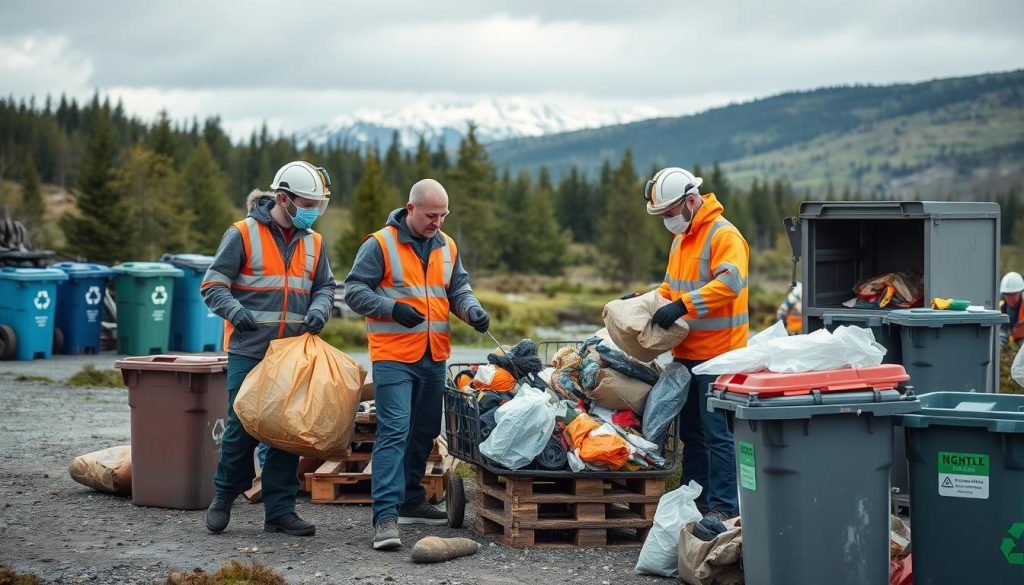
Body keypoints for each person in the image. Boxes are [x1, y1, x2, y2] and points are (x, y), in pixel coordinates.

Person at [344, 178, 489, 550]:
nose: (437, 222)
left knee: (424, 431)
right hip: (393, 355)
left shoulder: (448, 246)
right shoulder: (380, 245)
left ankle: (410, 501)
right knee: (394, 431)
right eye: (430, 215)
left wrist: (471, 310)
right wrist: (391, 308)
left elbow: (457, 288)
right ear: (410, 209)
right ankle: (385, 518)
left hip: (434, 355)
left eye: (443, 215)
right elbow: (354, 291)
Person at [200, 161, 336, 536]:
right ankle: (222, 498)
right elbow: (213, 286)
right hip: (249, 348)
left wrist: (320, 309)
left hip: (292, 353)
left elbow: (325, 286)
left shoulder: (315, 242)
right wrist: (236, 312)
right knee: (241, 429)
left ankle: (279, 511)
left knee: (285, 431)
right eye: (308, 204)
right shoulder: (242, 234)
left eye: (318, 205)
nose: (314, 212)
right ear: (283, 198)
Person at [645, 167, 749, 521]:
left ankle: (722, 506)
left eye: (669, 213)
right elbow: (670, 287)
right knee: (692, 433)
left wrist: (682, 306)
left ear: (691, 201)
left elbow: (729, 285)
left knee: (717, 434)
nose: (667, 221)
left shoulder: (724, 236)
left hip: (720, 356)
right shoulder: (681, 239)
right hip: (687, 355)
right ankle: (694, 497)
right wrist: (646, 302)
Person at [999, 271, 1023, 349]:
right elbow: (1001, 335)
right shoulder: (1002, 309)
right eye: (1007, 295)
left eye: (1014, 294)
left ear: (1020, 293)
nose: (1010, 298)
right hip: (1012, 346)